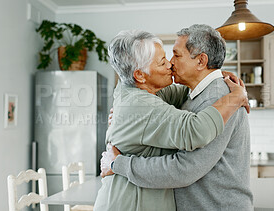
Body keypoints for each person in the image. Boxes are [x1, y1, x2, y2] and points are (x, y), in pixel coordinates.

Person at [101, 24, 253, 210]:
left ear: (201, 61)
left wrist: (220, 75)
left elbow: (185, 168)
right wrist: (234, 94)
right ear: (139, 75)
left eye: (176, 55)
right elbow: (195, 130)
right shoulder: (142, 102)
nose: (170, 63)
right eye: (163, 60)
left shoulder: (217, 96)